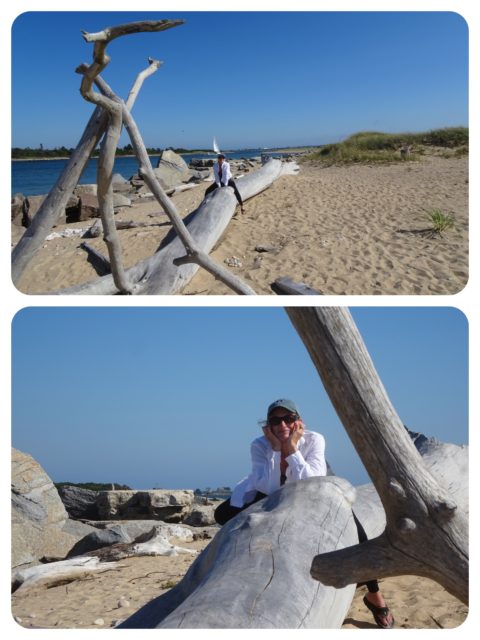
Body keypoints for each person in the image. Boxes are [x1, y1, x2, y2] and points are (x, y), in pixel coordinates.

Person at [214, 398, 395, 629]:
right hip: (275, 489)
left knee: (357, 533)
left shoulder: (314, 439)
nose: (282, 425)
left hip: (319, 486)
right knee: (222, 514)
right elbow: (267, 488)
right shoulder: (260, 445)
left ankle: (374, 594)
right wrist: (277, 450)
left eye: (288, 419)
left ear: (298, 422)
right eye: (275, 420)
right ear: (268, 425)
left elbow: (310, 481)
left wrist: (290, 448)